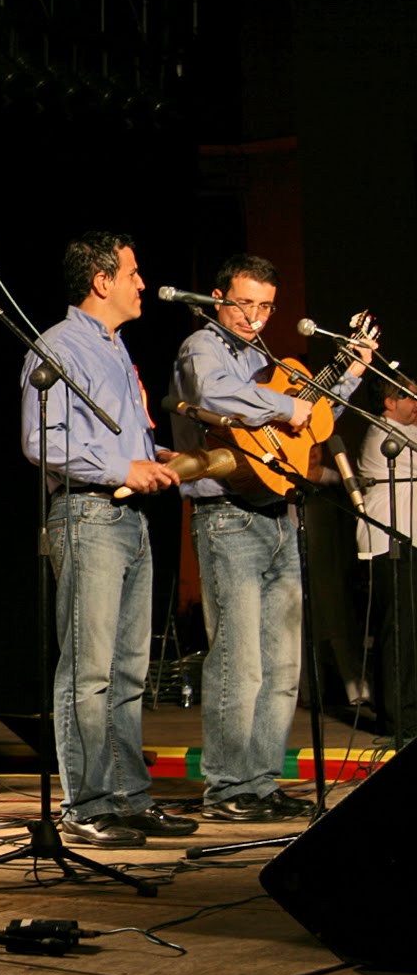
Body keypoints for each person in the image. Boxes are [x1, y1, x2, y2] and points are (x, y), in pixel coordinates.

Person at [170, 253, 371, 822]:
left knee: (283, 666)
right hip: (227, 515)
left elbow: (315, 419)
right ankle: (228, 787)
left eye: (265, 307)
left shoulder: (266, 358)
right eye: (244, 304)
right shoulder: (202, 348)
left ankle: (260, 781)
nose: (254, 317)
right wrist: (292, 407)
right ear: (218, 298)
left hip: (279, 512)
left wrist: (350, 372)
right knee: (240, 660)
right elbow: (217, 397)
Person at [20, 232, 197, 848]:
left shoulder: (114, 347)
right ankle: (86, 803)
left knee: (127, 672)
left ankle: (127, 795)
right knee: (89, 671)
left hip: (128, 521)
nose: (142, 283)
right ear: (101, 280)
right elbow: (41, 440)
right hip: (89, 516)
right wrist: (124, 469)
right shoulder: (59, 346)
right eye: (133, 272)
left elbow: (110, 434)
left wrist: (150, 455)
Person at [356, 373, 417, 746]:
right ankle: (397, 718)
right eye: (410, 396)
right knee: (399, 631)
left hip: (405, 540)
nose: (416, 403)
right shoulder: (386, 431)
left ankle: (402, 712)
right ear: (389, 402)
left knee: (406, 631)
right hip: (390, 542)